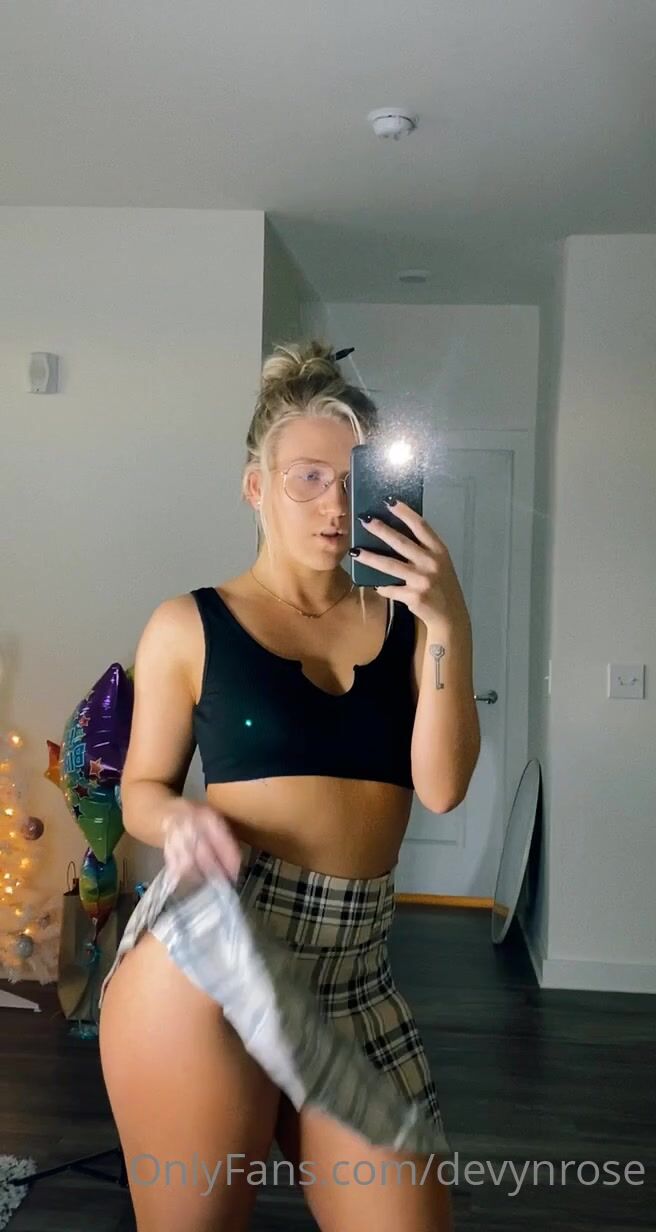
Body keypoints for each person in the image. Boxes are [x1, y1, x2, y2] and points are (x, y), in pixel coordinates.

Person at [99, 340, 481, 1232]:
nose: (335, 505)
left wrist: (449, 621)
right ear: (255, 487)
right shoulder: (190, 624)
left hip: (355, 970)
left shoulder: (408, 624)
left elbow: (443, 789)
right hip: (217, 949)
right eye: (308, 477)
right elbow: (140, 789)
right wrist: (177, 819)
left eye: (354, 481)